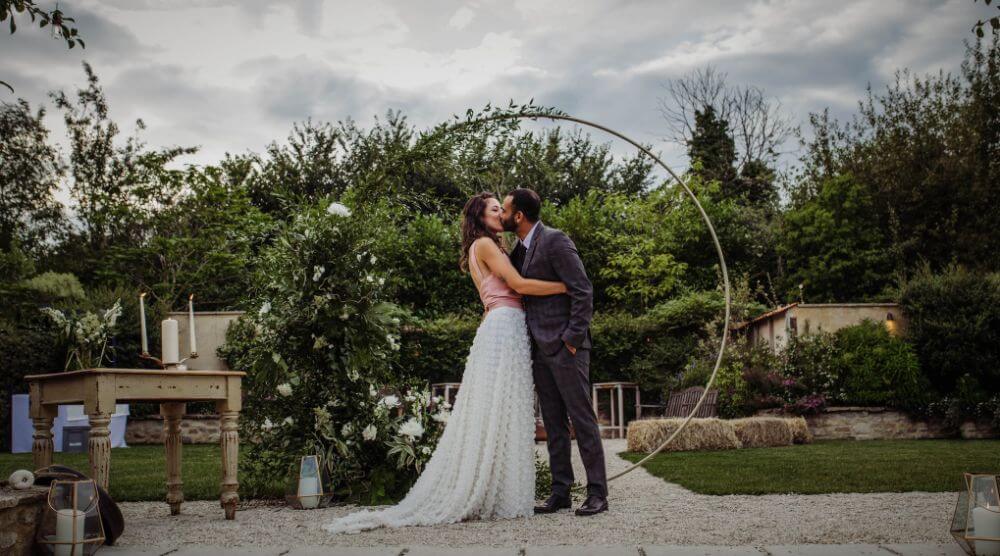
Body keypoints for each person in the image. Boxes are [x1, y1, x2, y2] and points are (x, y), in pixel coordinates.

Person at [324, 192, 566, 534]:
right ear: (480, 217)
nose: (502, 213)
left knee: (501, 408)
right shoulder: (484, 245)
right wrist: (564, 286)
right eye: (495, 209)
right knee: (496, 407)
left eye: (503, 207)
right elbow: (518, 284)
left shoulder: (486, 246)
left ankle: (494, 488)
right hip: (505, 326)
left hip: (502, 326)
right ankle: (483, 487)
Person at [501, 187, 608, 517]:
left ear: (518, 215)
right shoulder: (519, 251)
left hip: (566, 347)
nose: (502, 215)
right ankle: (560, 491)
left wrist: (572, 340)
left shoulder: (556, 240)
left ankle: (598, 494)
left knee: (581, 418)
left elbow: (583, 292)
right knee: (553, 423)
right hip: (538, 348)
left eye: (504, 210)